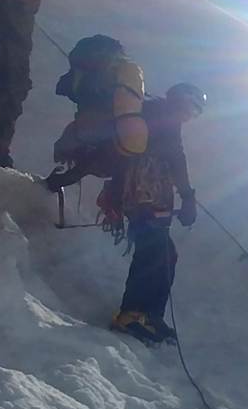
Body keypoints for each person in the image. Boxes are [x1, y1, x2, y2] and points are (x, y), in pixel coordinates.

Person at [105, 84, 207, 345]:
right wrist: (187, 196)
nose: (191, 116)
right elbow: (176, 158)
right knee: (152, 256)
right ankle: (131, 314)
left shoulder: (153, 113)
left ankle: (149, 314)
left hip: (143, 196)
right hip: (146, 197)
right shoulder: (166, 119)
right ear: (184, 103)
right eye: (193, 110)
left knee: (164, 255)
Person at [44, 34, 149, 194]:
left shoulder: (97, 90)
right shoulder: (126, 104)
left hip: (97, 140)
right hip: (117, 149)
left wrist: (71, 174)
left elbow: (91, 131)